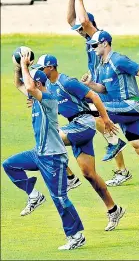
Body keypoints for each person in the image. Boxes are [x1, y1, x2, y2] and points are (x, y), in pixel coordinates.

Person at [32, 54, 126, 231]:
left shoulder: (67, 82)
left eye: (41, 68)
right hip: (74, 126)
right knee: (89, 174)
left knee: (49, 139)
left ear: (50, 67)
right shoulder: (48, 87)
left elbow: (95, 98)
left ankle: (70, 178)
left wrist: (105, 119)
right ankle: (114, 209)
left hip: (84, 123)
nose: (39, 71)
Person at [2, 52, 85, 250]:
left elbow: (29, 86)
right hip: (38, 153)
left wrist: (24, 63)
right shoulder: (36, 97)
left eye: (32, 83)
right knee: (9, 164)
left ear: (39, 85)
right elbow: (20, 85)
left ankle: (76, 235)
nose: (28, 88)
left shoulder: (48, 99)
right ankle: (33, 195)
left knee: (60, 198)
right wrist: (17, 68)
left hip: (53, 158)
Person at [83, 30, 139, 206]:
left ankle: (114, 143)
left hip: (128, 106)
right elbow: (104, 89)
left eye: (95, 45)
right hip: (120, 109)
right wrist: (90, 85)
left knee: (92, 111)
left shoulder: (118, 60)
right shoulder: (101, 65)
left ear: (104, 43)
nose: (92, 49)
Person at [67, 0, 131, 188]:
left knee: (102, 122)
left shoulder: (97, 35)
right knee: (104, 125)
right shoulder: (89, 40)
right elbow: (71, 20)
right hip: (96, 86)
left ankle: (122, 167)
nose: (79, 31)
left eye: (82, 29)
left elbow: (83, 20)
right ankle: (122, 169)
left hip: (106, 89)